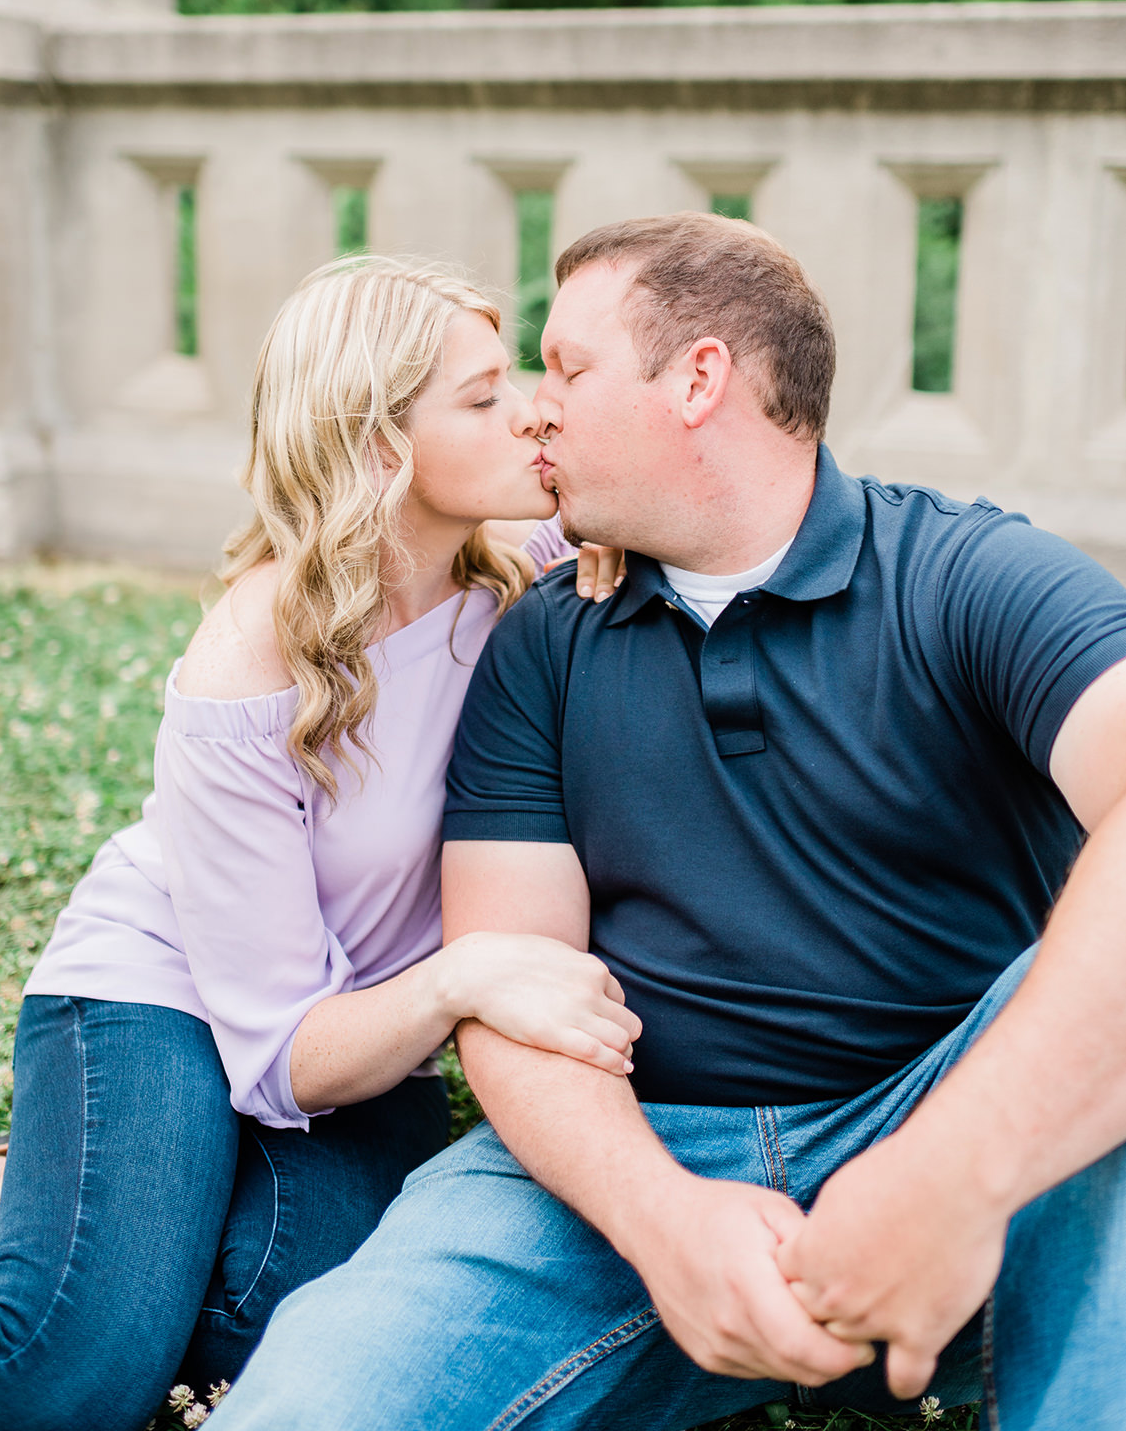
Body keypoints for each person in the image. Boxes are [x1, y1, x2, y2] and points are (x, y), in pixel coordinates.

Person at [212, 213, 1126, 1431]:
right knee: (319, 1397)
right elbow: (522, 989)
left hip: (959, 1120)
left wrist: (950, 1173)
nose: (539, 410)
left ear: (698, 378)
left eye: (569, 370)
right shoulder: (540, 636)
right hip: (627, 1159)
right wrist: (663, 1221)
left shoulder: (969, 578)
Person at [0, 256, 640, 1431]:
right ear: (377, 448)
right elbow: (282, 1054)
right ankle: (69, 1259)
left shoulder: (523, 574)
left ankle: (44, 1220)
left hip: (363, 1034)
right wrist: (465, 979)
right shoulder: (254, 656)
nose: (530, 409)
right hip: (177, 1003)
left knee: (274, 1337)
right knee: (62, 1377)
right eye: (480, 396)